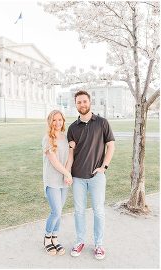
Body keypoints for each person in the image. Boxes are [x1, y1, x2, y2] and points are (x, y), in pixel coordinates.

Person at [67, 90, 114, 260]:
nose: (82, 104)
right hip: (78, 178)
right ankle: (80, 241)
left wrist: (104, 166)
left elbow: (111, 146)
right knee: (79, 211)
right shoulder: (72, 128)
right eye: (79, 102)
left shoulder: (102, 122)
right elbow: (71, 154)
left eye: (84, 101)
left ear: (90, 102)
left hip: (96, 177)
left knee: (98, 211)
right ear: (76, 104)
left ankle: (99, 245)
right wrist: (68, 173)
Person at [41, 110, 73, 256]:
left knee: (59, 213)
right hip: (52, 180)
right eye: (54, 120)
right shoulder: (47, 138)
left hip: (63, 181)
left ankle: (55, 237)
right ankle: (47, 238)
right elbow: (54, 162)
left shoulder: (66, 138)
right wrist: (67, 174)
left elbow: (69, 158)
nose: (58, 122)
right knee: (57, 211)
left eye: (60, 119)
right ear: (50, 122)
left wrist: (67, 174)